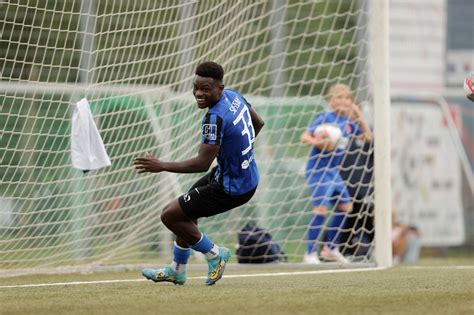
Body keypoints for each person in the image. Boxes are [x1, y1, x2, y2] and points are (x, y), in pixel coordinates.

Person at [133, 61, 264, 285]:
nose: (198, 93)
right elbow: (258, 123)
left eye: (206, 89)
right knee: (184, 213)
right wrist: (237, 150)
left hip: (231, 187)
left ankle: (214, 254)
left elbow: (202, 164)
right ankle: (177, 270)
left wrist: (161, 165)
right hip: (243, 176)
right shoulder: (233, 96)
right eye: (196, 87)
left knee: (170, 215)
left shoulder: (214, 118)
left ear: (219, 88)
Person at [300, 84, 372, 264]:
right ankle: (310, 253)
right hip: (318, 171)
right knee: (321, 209)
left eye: (347, 98)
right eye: (339, 97)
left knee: (346, 208)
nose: (344, 101)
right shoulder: (324, 118)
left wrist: (358, 116)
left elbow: (367, 137)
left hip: (333, 172)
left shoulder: (348, 124)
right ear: (330, 100)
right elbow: (304, 138)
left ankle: (330, 248)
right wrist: (319, 143)